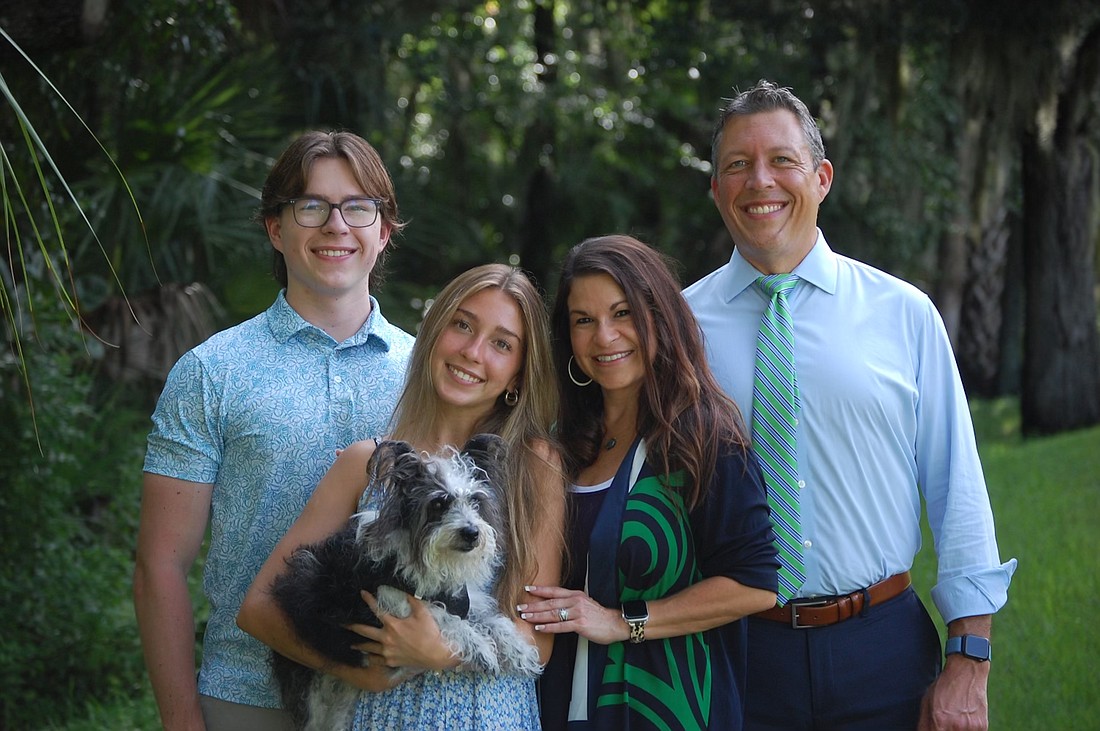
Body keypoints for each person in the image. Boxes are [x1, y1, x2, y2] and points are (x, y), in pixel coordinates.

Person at [683, 79, 1018, 730]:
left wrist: (970, 658)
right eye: (737, 165)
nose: (761, 181)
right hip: (734, 651)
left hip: (884, 647)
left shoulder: (902, 313)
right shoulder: (677, 327)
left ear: (822, 177)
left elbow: (958, 489)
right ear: (717, 189)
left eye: (782, 160)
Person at [133, 130, 416, 730]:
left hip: (396, 702)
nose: (335, 225)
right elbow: (160, 563)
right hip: (248, 699)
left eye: (357, 207)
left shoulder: (430, 374)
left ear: (384, 230)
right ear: (274, 228)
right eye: (310, 206)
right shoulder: (212, 371)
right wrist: (183, 723)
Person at [237, 263, 567, 730]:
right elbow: (257, 612)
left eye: (502, 343)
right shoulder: (366, 464)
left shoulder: (533, 466)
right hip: (377, 716)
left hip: (486, 715)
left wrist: (440, 652)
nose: (473, 352)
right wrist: (356, 672)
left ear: (517, 374)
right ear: (433, 333)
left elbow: (536, 641)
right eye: (463, 324)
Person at [522, 234, 779, 730]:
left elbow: (756, 583)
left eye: (622, 314)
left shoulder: (703, 438)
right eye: (584, 321)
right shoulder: (562, 447)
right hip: (559, 706)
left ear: (660, 317)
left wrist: (623, 621)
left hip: (666, 708)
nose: (604, 337)